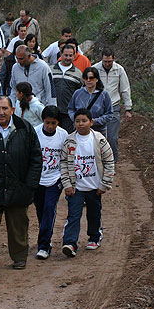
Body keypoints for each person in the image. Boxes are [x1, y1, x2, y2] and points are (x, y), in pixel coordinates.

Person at [0, 96, 42, 278]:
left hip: (18, 186)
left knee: (18, 224)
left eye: (4, 108)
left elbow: (36, 158)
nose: (1, 112)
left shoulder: (25, 129)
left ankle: (19, 257)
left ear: (12, 109)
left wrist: (30, 185)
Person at [60, 109, 115, 257]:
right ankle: (70, 244)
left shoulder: (99, 140)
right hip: (76, 188)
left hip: (94, 187)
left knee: (94, 213)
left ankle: (94, 237)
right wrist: (67, 184)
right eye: (77, 121)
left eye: (84, 121)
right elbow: (64, 163)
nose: (80, 124)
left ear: (91, 122)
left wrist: (104, 184)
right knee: (73, 215)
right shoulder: (70, 141)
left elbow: (109, 161)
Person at [33, 106, 68, 260]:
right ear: (43, 121)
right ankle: (44, 232)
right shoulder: (35, 132)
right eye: (47, 123)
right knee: (40, 208)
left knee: (49, 208)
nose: (50, 126)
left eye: (53, 123)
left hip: (55, 178)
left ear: (58, 123)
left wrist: (66, 178)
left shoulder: (63, 135)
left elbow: (67, 157)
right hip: (37, 178)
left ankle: (44, 245)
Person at [92, 48, 133, 162]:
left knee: (112, 137)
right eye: (105, 61)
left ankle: (112, 162)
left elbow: (125, 89)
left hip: (113, 106)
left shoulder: (119, 70)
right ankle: (97, 161)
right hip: (97, 107)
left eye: (109, 61)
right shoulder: (95, 69)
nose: (107, 64)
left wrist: (128, 108)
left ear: (114, 59)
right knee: (97, 137)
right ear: (102, 59)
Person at [67, 67, 114, 136]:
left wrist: (94, 121)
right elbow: (70, 109)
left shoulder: (104, 95)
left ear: (97, 79)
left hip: (99, 131)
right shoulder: (77, 93)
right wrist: (78, 120)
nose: (88, 80)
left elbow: (109, 114)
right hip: (80, 130)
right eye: (86, 78)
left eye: (91, 78)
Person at [50, 44, 84, 132]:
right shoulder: (50, 69)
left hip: (68, 113)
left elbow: (80, 94)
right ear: (61, 54)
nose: (68, 58)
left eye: (70, 55)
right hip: (52, 111)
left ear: (74, 56)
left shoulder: (78, 73)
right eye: (66, 55)